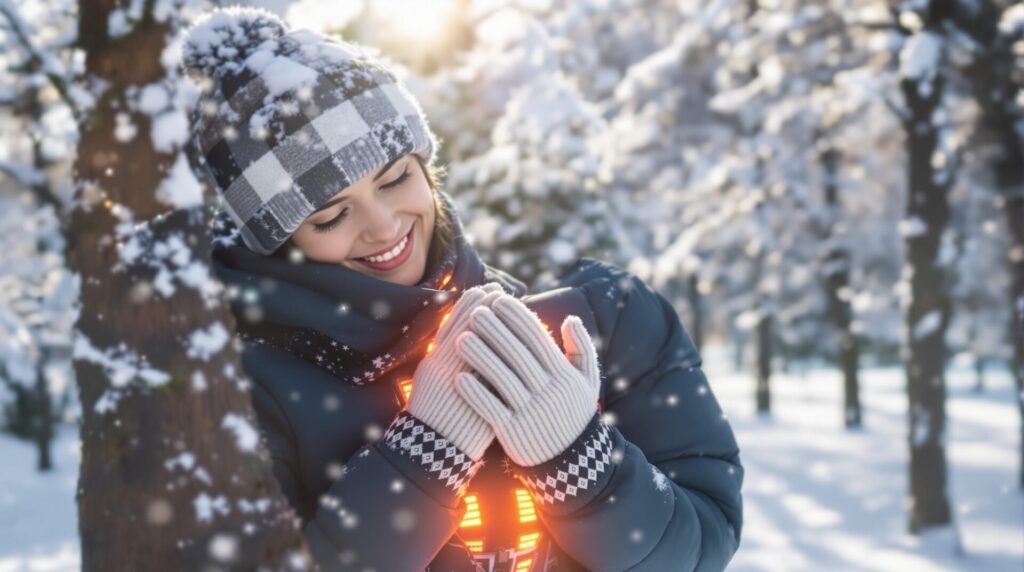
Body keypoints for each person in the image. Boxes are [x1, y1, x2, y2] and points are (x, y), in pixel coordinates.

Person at [184, 7, 743, 572]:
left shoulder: (606, 318)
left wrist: (582, 463)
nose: (383, 226)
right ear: (281, 242)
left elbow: (705, 541)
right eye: (331, 216)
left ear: (424, 166)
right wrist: (422, 459)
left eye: (395, 178)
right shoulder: (235, 393)